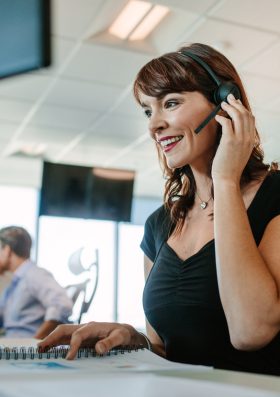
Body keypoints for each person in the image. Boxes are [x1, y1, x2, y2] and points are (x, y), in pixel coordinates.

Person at [39, 43, 280, 375]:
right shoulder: (159, 224)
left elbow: (250, 331)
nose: (154, 125)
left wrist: (224, 180)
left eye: (171, 103)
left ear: (225, 103)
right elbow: (165, 347)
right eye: (148, 111)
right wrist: (134, 339)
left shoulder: (275, 195)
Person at [0, 226, 73, 338]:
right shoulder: (15, 283)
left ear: (7, 250)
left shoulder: (34, 274)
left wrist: (35, 344)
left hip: (22, 351)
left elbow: (62, 305)